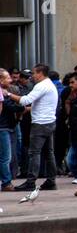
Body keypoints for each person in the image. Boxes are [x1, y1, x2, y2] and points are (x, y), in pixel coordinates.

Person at [5, 63, 58, 192]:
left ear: (40, 73)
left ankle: (30, 182)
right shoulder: (49, 84)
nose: (32, 76)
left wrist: (8, 94)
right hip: (49, 122)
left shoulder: (41, 86)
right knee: (48, 153)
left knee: (34, 153)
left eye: (34, 73)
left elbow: (25, 100)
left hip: (40, 123)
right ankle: (51, 180)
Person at [0, 68, 21, 192]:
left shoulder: (6, 91)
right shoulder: (2, 92)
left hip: (5, 126)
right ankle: (6, 182)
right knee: (5, 157)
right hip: (3, 127)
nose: (10, 79)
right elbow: (9, 107)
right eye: (7, 77)